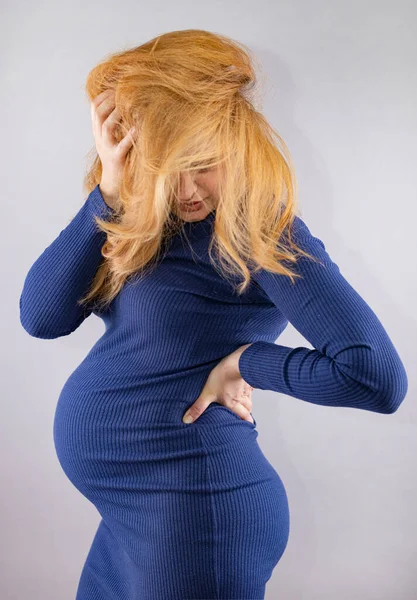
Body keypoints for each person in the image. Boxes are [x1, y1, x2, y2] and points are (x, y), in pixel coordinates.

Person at [19, 30, 408, 600]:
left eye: (202, 163)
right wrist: (107, 190)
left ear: (236, 145)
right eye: (165, 164)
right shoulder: (144, 217)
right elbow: (41, 316)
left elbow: (375, 376)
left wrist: (249, 362)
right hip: (132, 520)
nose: (186, 188)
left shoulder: (259, 231)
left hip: (198, 518)